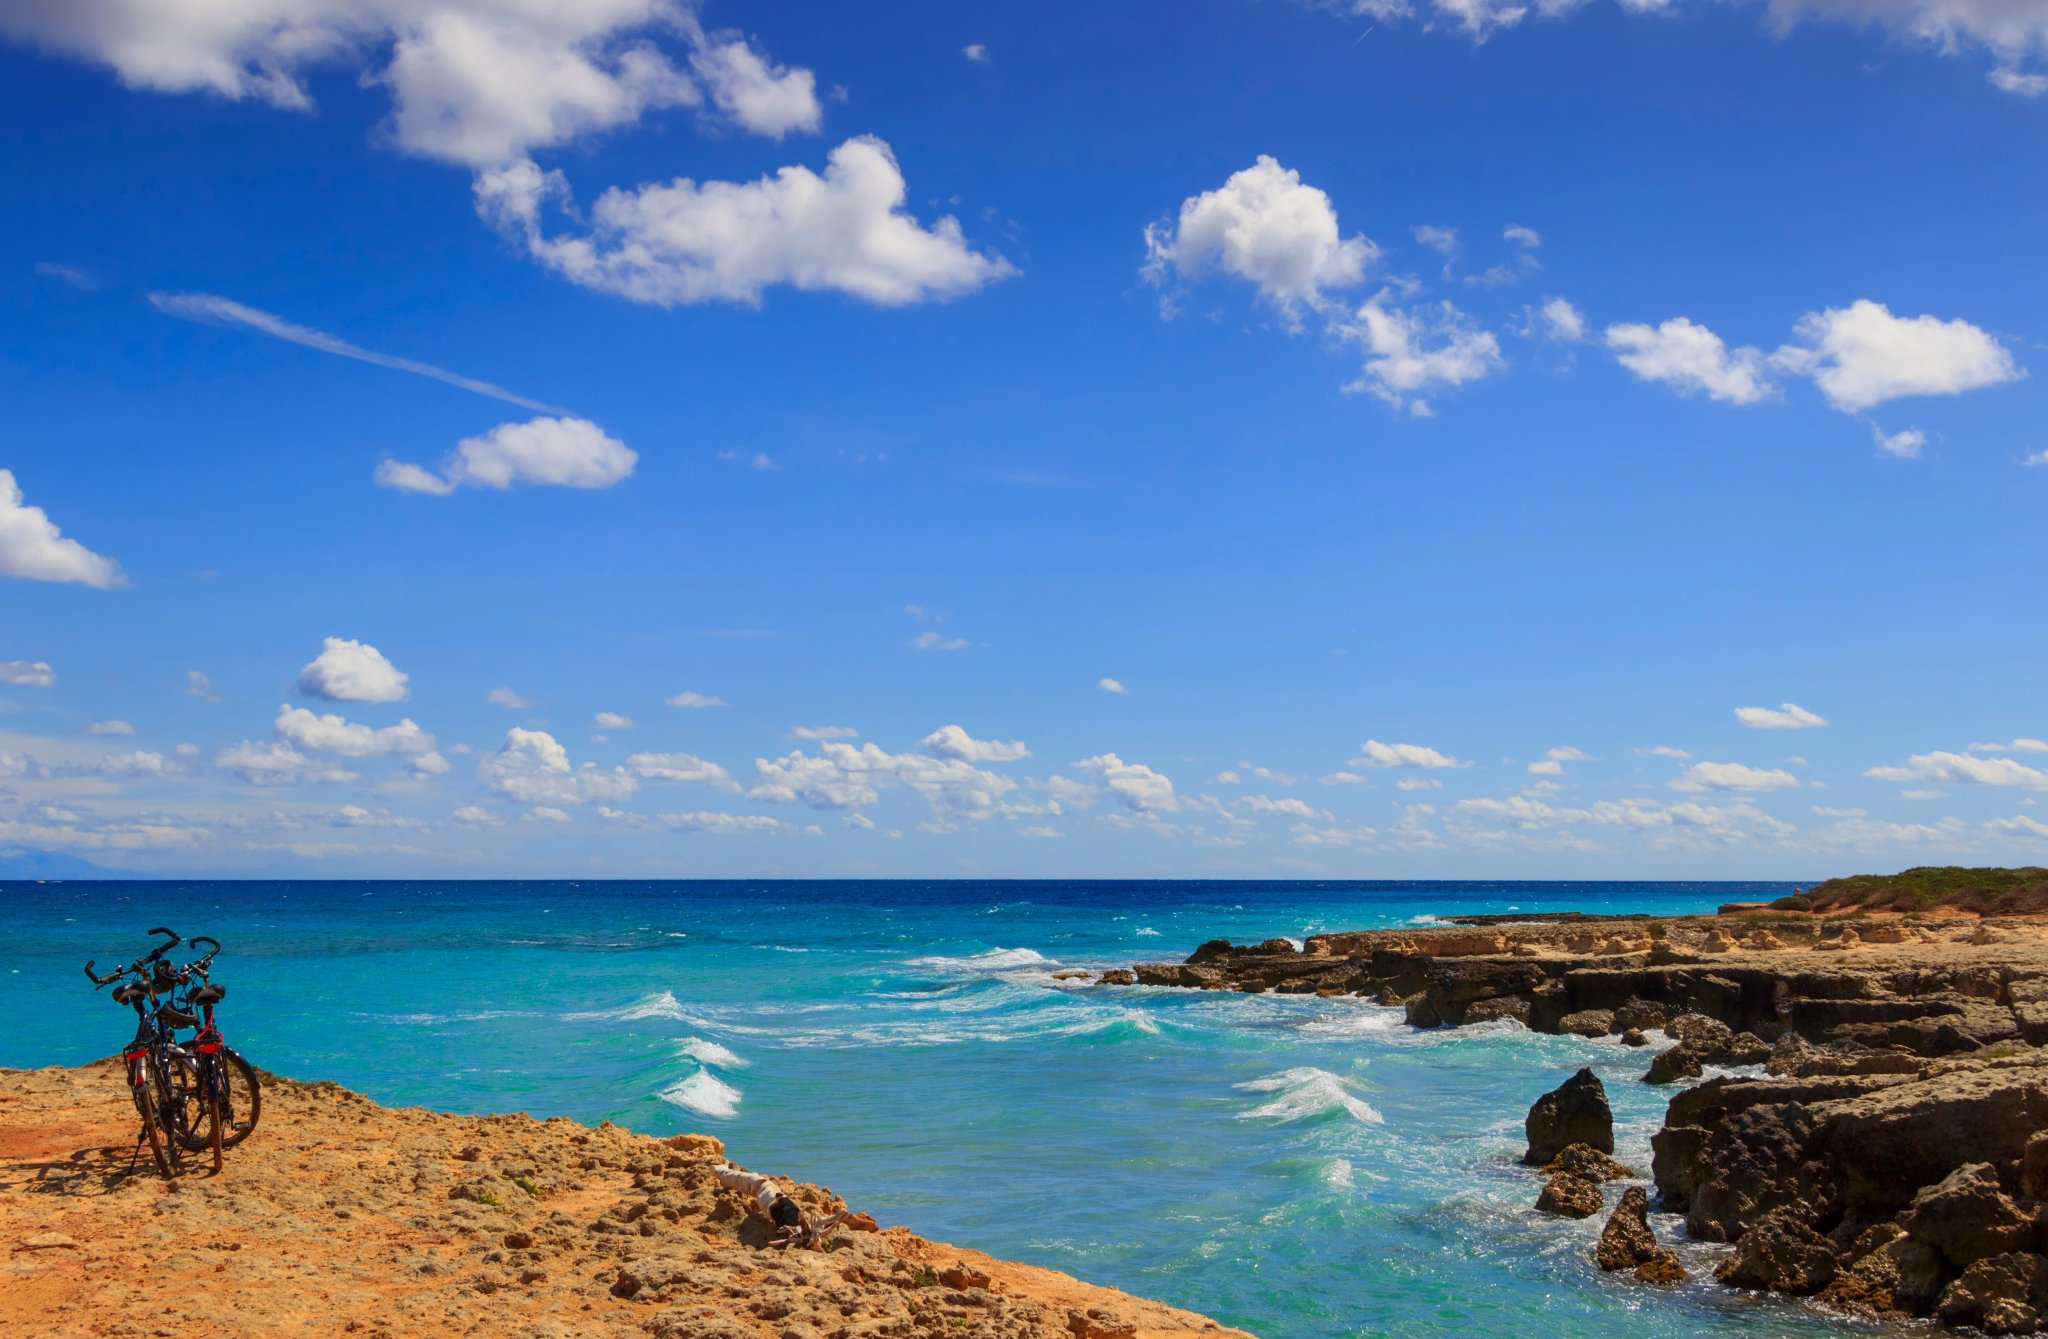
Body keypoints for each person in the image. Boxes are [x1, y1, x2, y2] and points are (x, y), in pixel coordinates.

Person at [714, 1164, 850, 1248]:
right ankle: (724, 1175)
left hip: (771, 1199)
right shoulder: (799, 1226)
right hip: (773, 1205)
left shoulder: (796, 1226)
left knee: (752, 1180)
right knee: (751, 1182)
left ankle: (719, 1171)